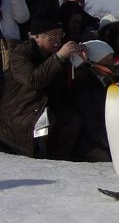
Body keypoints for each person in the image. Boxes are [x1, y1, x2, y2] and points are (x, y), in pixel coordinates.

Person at [0, 19, 84, 159]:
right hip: (21, 110)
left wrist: (80, 63)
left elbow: (69, 87)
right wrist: (58, 57)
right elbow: (34, 80)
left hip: (44, 106)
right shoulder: (20, 54)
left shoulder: (55, 54)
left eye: (59, 35)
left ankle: (59, 161)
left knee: (72, 119)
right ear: (36, 37)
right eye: (52, 36)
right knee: (45, 121)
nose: (57, 40)